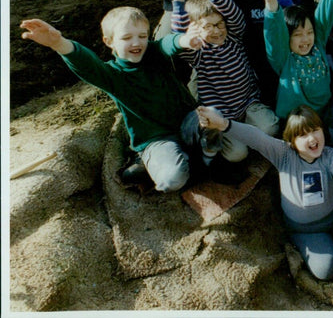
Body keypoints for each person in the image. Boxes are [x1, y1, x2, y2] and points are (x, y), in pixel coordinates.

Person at [19, 10, 212, 193]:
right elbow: (87, 63)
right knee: (172, 180)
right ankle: (149, 162)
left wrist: (185, 40)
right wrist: (58, 42)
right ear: (109, 41)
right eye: (127, 38)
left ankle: (192, 158)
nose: (136, 43)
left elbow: (168, 43)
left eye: (142, 36)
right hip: (156, 139)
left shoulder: (155, 53)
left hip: (189, 122)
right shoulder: (111, 75)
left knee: (224, 135)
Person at [194, 103, 333, 281]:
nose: (312, 138)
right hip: (305, 229)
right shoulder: (283, 154)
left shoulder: (332, 155)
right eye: (303, 135)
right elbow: (256, 138)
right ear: (292, 140)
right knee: (327, 270)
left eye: (315, 130)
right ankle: (325, 248)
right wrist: (222, 124)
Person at [170, 0, 280, 181]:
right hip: (223, 116)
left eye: (219, 24)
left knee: (271, 127)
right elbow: (178, 38)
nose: (217, 31)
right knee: (238, 154)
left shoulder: (234, 39)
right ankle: (221, 150)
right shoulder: (198, 53)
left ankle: (249, 132)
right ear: (195, 29)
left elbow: (236, 17)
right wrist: (178, 1)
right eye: (208, 26)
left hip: (248, 103)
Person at [259, 0, 333, 168]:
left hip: (326, 110)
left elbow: (324, 16)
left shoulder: (318, 44)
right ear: (288, 38)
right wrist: (271, 3)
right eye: (298, 35)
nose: (306, 39)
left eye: (309, 32)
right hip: (302, 123)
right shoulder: (284, 58)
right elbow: (273, 35)